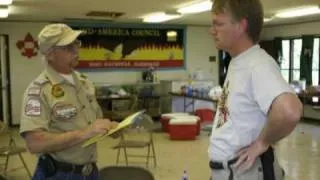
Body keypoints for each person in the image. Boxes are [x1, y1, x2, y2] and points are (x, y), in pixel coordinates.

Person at [208, 0, 303, 180]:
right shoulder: (238, 62)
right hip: (229, 171)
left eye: (218, 24)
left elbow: (289, 110)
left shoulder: (257, 64)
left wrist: (262, 142)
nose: (212, 31)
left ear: (241, 26)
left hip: (245, 172)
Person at [20, 23, 118, 180]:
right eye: (67, 46)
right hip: (60, 174)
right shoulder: (38, 91)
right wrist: (86, 133)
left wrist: (110, 128)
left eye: (76, 43)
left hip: (90, 172)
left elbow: (94, 122)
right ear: (50, 54)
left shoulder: (84, 82)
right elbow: (34, 143)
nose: (75, 50)